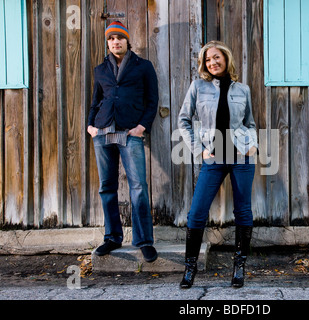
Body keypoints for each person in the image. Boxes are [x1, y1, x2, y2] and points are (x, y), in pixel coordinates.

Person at [178, 41, 258, 288]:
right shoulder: (198, 87)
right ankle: (190, 268)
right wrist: (198, 149)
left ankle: (239, 267)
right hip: (213, 156)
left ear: (226, 58)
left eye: (216, 57)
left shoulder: (242, 89)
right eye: (208, 59)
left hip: (241, 155)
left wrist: (253, 143)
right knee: (197, 212)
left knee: (242, 211)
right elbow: (183, 120)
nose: (212, 62)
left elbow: (250, 123)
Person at [88, 21, 159, 263]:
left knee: (138, 187)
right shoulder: (100, 69)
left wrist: (142, 127)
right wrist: (90, 126)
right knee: (107, 188)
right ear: (107, 42)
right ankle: (112, 237)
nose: (115, 42)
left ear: (127, 40)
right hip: (103, 132)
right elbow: (95, 100)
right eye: (111, 38)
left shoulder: (143, 66)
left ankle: (144, 241)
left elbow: (152, 100)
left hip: (130, 133)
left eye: (119, 37)